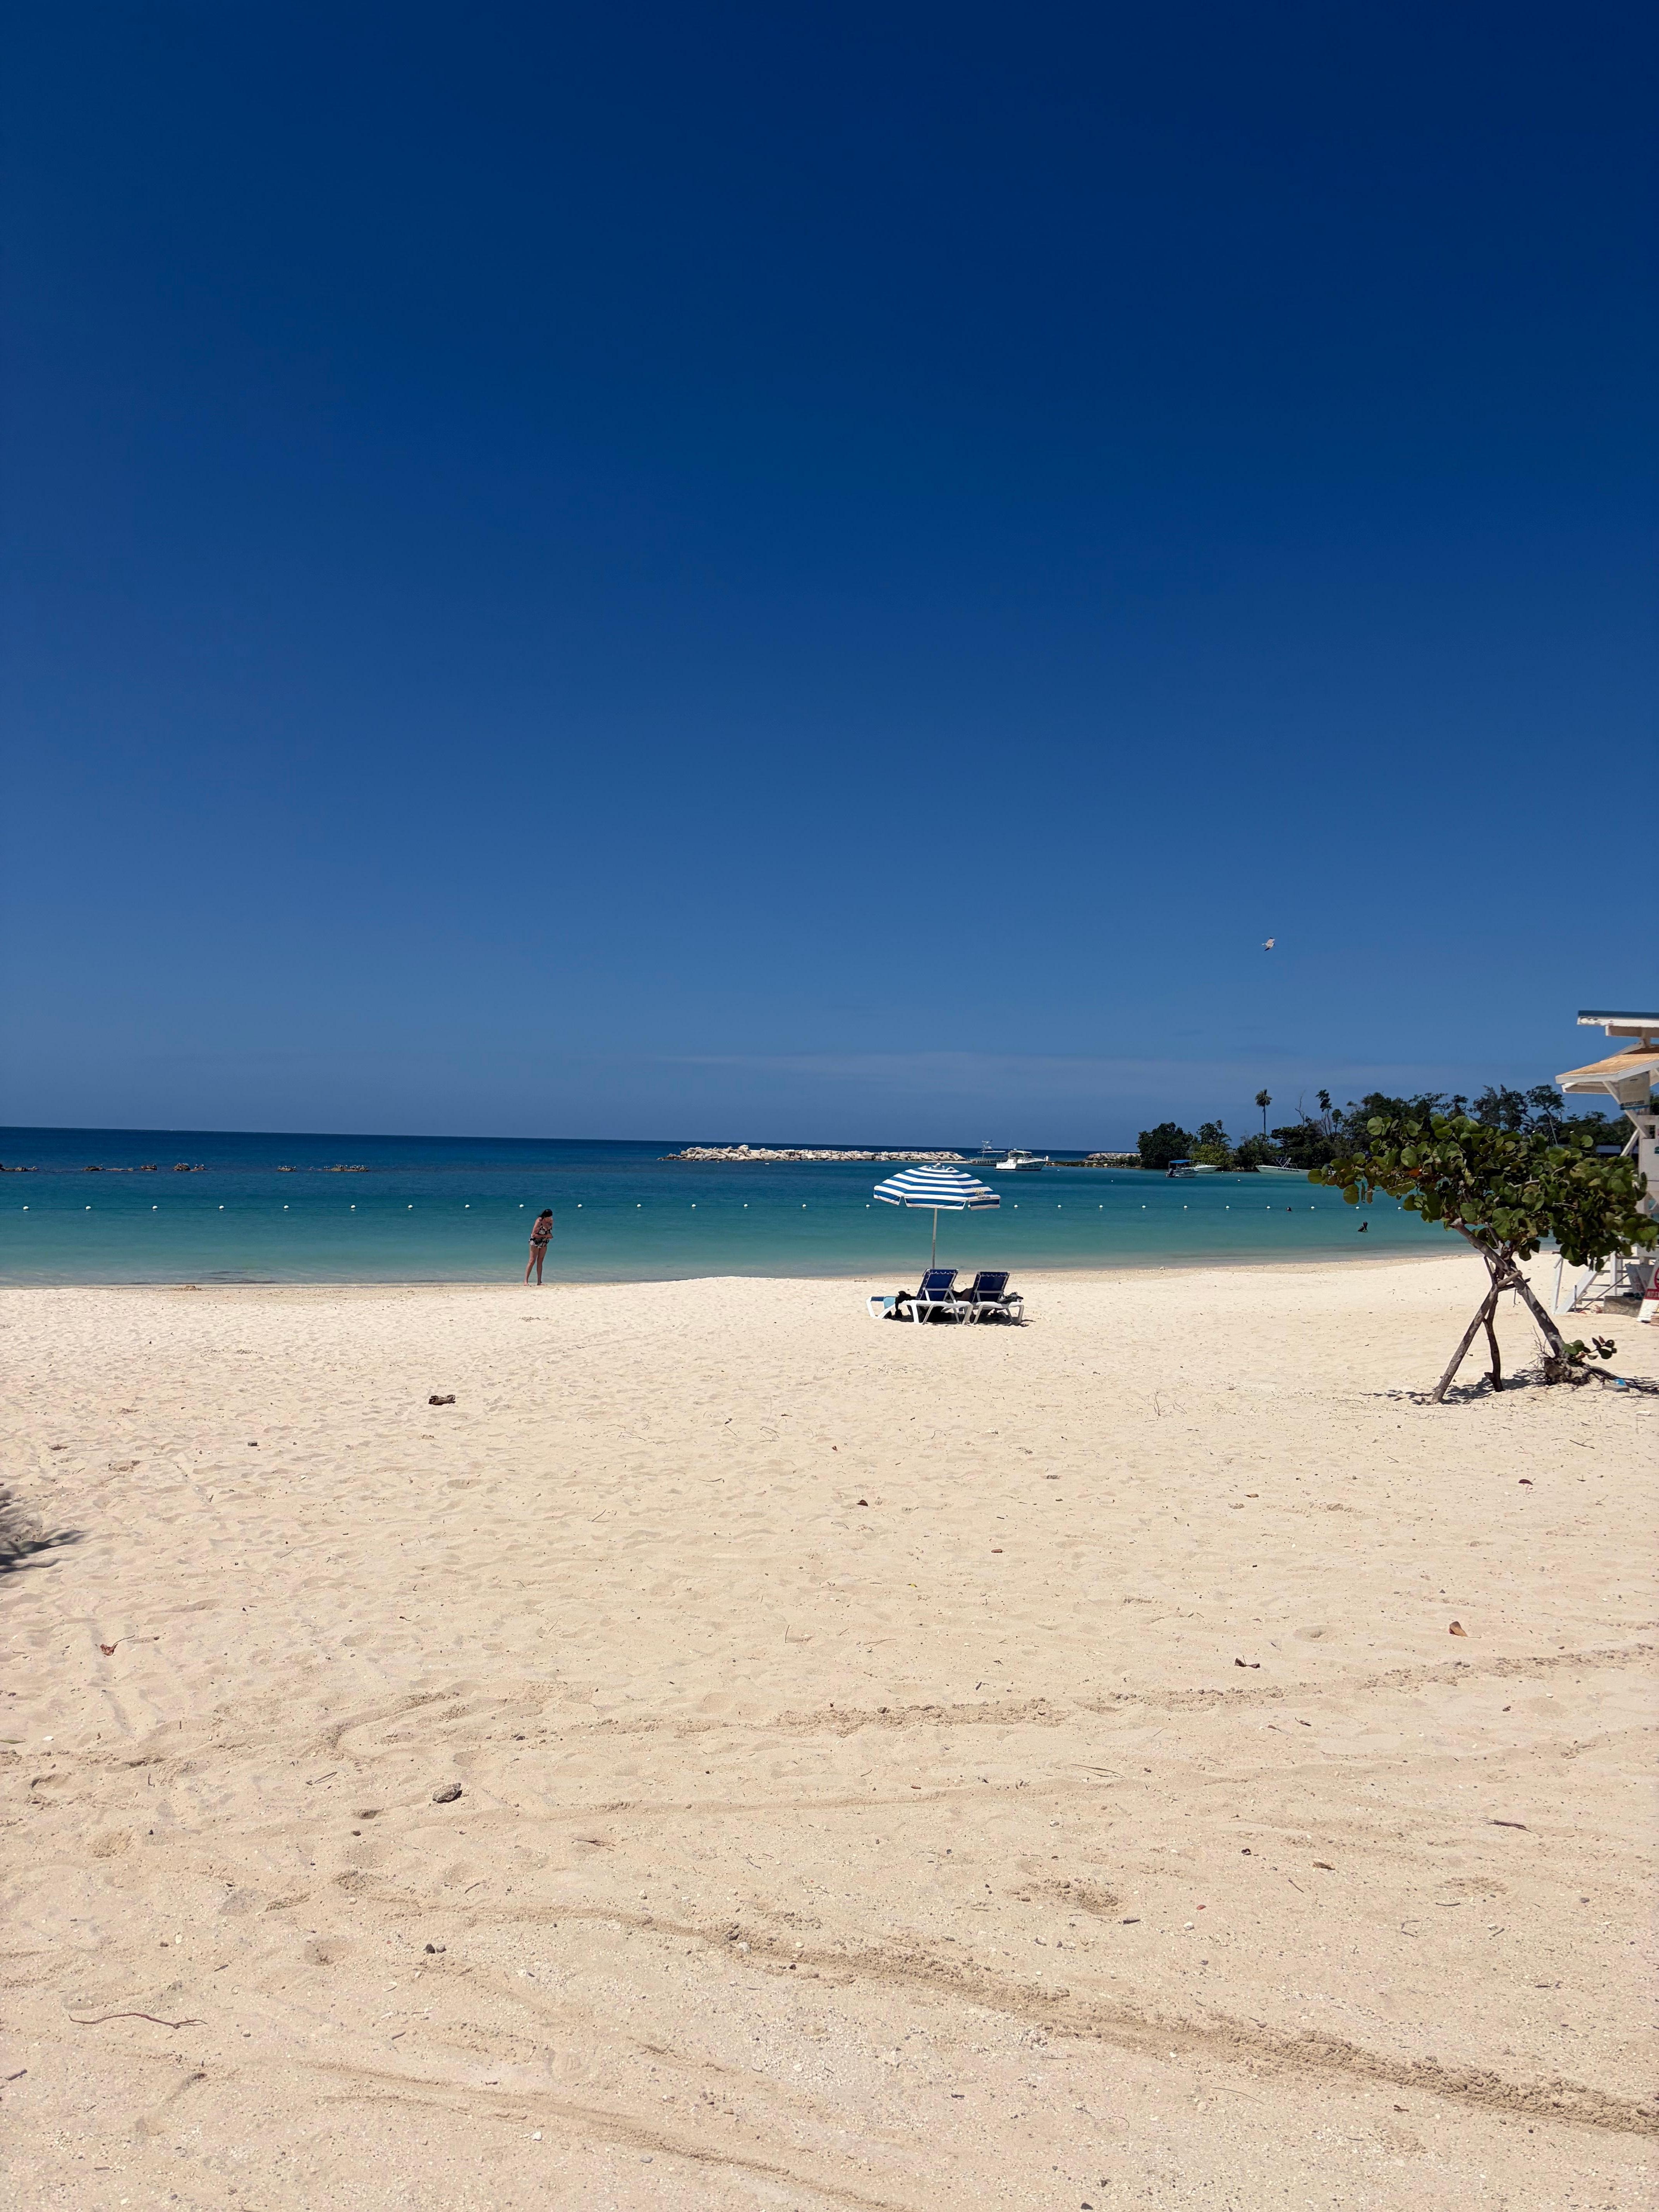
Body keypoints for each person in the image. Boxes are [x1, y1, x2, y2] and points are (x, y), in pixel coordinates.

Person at [525, 1208, 553, 1284]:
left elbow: (549, 1231)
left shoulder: (551, 1221)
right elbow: (534, 1234)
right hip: (536, 1242)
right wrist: (546, 1235)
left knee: (540, 1261)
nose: (550, 1218)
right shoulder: (539, 1221)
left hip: (544, 1242)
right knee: (532, 1261)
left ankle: (539, 1282)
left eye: (551, 1217)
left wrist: (549, 1235)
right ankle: (526, 1281)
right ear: (545, 1216)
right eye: (549, 1217)